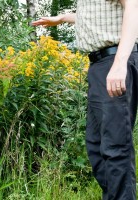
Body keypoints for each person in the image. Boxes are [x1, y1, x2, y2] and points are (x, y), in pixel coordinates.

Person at [32, 0, 138, 199]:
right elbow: (98, 15)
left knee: (115, 148)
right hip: (99, 66)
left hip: (114, 61)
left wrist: (119, 63)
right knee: (96, 145)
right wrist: (63, 18)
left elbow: (133, 6)